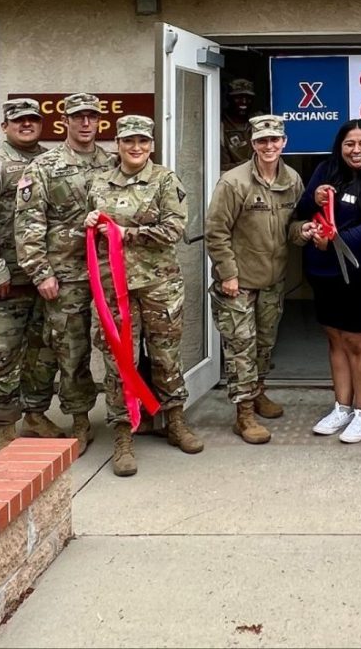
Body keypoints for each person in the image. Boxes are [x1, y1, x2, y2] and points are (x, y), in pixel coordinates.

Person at [84, 114, 202, 476]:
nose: (136, 148)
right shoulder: (99, 180)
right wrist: (88, 223)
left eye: (143, 142)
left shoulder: (165, 179)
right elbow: (87, 225)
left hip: (159, 284)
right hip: (112, 286)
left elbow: (174, 228)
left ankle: (175, 420)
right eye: (128, 141)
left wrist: (126, 232)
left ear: (151, 145)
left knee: (166, 356)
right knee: (121, 361)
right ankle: (123, 433)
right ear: (118, 144)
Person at [0, 98, 64, 452]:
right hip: (8, 279)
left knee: (44, 351)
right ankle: (5, 423)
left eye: (33, 120)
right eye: (18, 120)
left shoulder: (53, 161)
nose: (26, 125)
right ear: (5, 125)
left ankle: (35, 413)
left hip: (48, 277)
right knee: (3, 353)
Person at [15, 92, 115, 453]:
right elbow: (27, 224)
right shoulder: (44, 166)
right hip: (66, 272)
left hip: (108, 273)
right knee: (70, 350)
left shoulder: (114, 163)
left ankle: (122, 413)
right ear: (66, 121)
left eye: (91, 116)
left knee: (117, 344)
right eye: (78, 116)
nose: (85, 122)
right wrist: (41, 272)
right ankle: (79, 418)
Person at [295, 119, 361, 444]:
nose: (356, 150)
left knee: (360, 343)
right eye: (349, 144)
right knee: (336, 341)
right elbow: (298, 211)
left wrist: (337, 237)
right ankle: (342, 406)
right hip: (325, 273)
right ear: (339, 147)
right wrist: (313, 198)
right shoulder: (326, 170)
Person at [204, 114, 306, 445]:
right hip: (238, 283)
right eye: (262, 140)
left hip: (272, 280)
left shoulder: (292, 180)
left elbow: (293, 226)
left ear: (284, 142)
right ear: (252, 144)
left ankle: (258, 392)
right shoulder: (234, 183)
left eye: (275, 139)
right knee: (241, 349)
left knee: (264, 344)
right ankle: (243, 414)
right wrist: (228, 274)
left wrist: (304, 232)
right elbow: (215, 231)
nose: (269, 146)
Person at [220, 78, 259, 172]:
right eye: (238, 98)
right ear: (228, 99)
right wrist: (250, 165)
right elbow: (220, 167)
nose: (244, 102)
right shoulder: (220, 126)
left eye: (248, 98)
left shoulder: (258, 122)